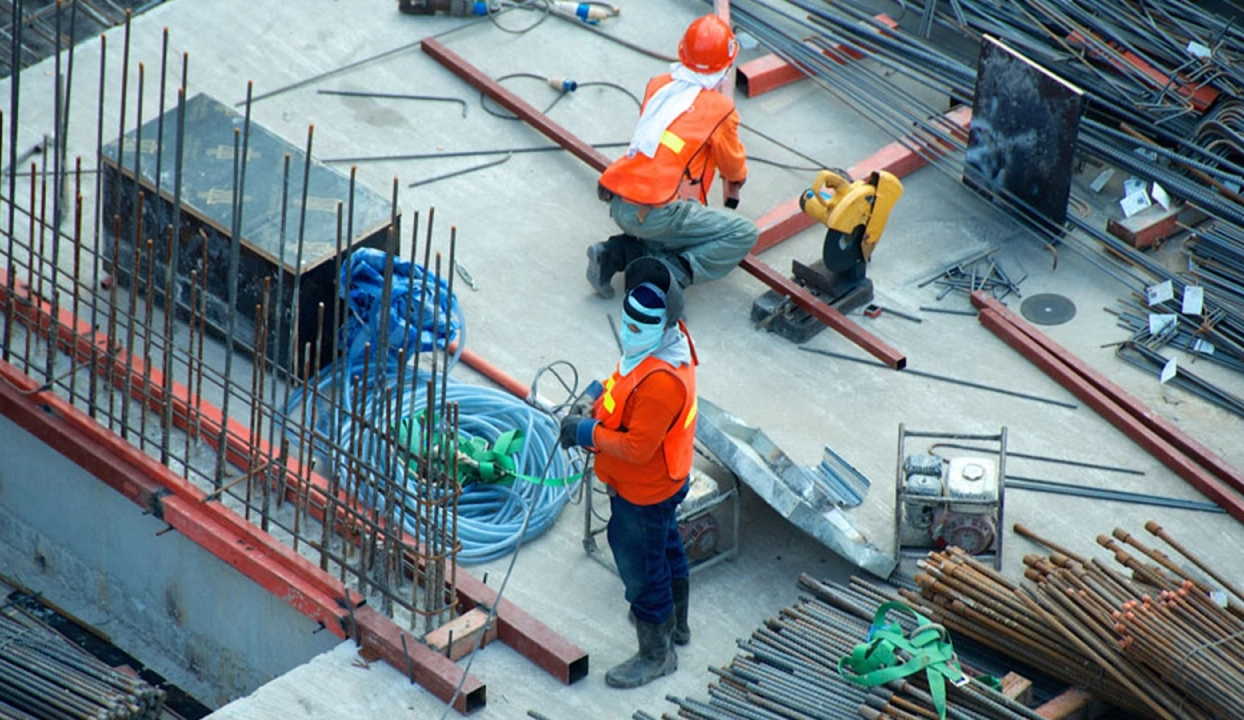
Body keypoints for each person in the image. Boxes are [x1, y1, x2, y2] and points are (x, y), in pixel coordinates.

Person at [559, 257, 698, 688]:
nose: (630, 332)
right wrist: (595, 396)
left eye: (641, 326)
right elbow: (623, 380)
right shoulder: (661, 346)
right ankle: (676, 626)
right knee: (667, 548)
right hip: (662, 482)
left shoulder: (662, 382)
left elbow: (638, 448)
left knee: (642, 571)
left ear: (665, 322)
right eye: (628, 322)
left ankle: (657, 655)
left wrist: (586, 431)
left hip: (645, 490)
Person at [587, 14, 760, 298]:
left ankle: (614, 254)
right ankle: (670, 273)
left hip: (619, 199)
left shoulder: (659, 85)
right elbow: (732, 166)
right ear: (726, 66)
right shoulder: (720, 109)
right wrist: (736, 181)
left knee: (675, 225)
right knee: (742, 233)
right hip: (654, 212)